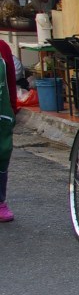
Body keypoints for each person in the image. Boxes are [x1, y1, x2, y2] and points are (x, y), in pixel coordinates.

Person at [0, 38, 18, 222]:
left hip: (1, 113)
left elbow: (11, 81)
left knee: (2, 154)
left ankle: (0, 202)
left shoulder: (2, 47)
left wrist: (13, 108)